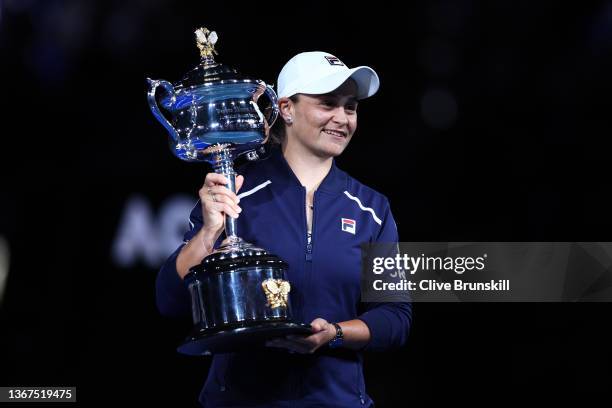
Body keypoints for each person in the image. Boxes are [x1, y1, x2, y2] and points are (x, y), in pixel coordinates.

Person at [156, 51, 412, 407]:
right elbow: (170, 301)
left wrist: (334, 334)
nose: (342, 118)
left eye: (350, 107)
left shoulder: (372, 208)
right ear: (286, 109)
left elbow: (395, 316)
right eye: (327, 103)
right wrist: (208, 234)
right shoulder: (233, 192)